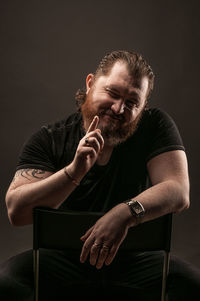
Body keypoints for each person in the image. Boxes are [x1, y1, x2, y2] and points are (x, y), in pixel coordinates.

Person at [1, 50, 200, 300]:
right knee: (6, 285)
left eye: (132, 103)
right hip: (62, 260)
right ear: (90, 83)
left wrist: (124, 213)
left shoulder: (155, 125)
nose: (118, 108)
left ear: (142, 108)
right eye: (113, 93)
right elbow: (16, 212)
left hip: (135, 260)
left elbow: (178, 190)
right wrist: (74, 172)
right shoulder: (50, 138)